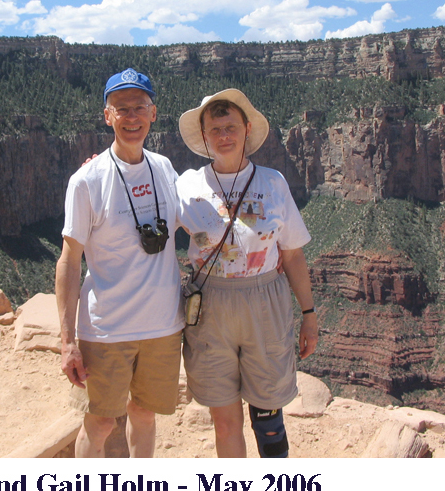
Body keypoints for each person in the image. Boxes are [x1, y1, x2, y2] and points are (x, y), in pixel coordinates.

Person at [177, 88, 318, 458]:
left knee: (269, 422)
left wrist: (309, 314)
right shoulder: (186, 185)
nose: (224, 136)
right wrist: (98, 168)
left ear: (247, 129)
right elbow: (145, 221)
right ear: (204, 136)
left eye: (231, 127)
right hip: (211, 308)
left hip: (265, 302)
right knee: (225, 423)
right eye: (215, 129)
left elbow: (292, 256)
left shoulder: (272, 182)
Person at [55, 68, 183, 458]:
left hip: (163, 326)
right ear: (107, 115)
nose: (131, 117)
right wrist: (66, 343)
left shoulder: (164, 168)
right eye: (121, 108)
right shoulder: (87, 180)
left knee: (144, 415)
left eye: (139, 107)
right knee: (100, 422)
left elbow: (201, 220)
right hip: (107, 330)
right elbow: (69, 262)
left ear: (154, 112)